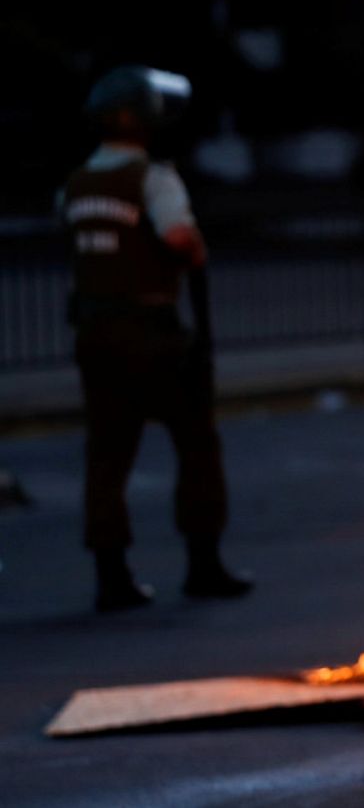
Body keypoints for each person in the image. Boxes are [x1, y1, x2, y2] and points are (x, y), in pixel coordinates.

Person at [63, 65, 252, 611]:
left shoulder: (77, 183)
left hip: (95, 334)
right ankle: (203, 564)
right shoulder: (152, 177)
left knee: (107, 454)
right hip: (151, 332)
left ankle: (111, 574)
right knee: (195, 444)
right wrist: (194, 250)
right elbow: (176, 236)